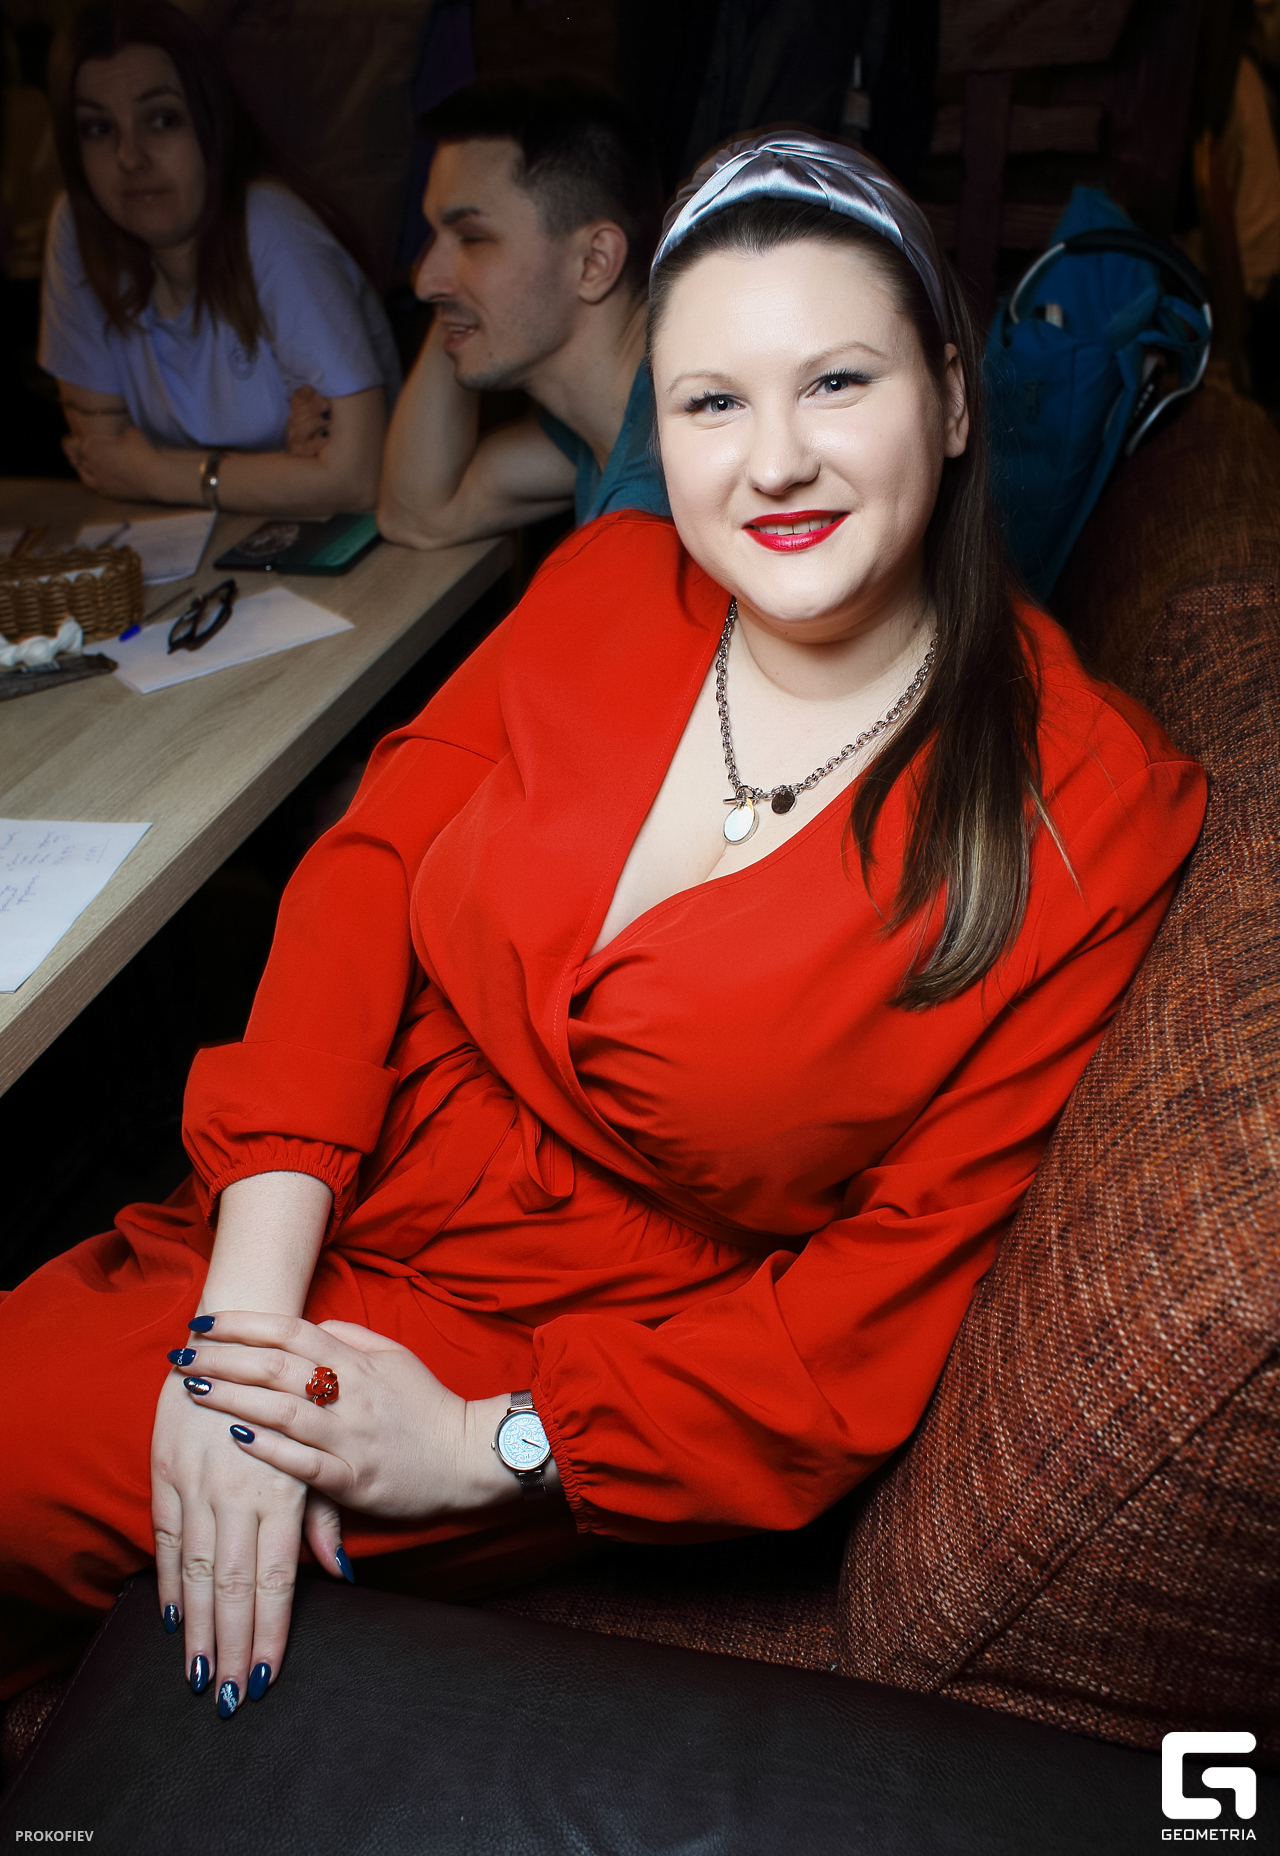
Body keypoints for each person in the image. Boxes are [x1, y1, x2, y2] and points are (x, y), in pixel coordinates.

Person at [1, 133, 1206, 1720]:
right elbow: (369, 866)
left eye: (837, 383)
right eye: (711, 402)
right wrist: (245, 1313)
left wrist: (483, 1442)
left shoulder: (1091, 814)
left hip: (551, 1353)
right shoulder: (612, 576)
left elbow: (869, 1315)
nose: (773, 463)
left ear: (953, 399)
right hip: (314, 1184)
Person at [40, 0, 399, 517]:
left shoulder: (273, 227)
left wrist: (153, 472)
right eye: (98, 129)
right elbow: (102, 459)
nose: (130, 157)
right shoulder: (78, 231)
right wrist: (284, 470)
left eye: (162, 120)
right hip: (203, 535)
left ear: (211, 124)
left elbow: (356, 479)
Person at [376, 80, 669, 550]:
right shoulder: (607, 421)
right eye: (435, 237)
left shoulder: (654, 496)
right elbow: (418, 514)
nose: (424, 282)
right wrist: (459, 304)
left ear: (594, 262)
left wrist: (463, 302)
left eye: (471, 237)